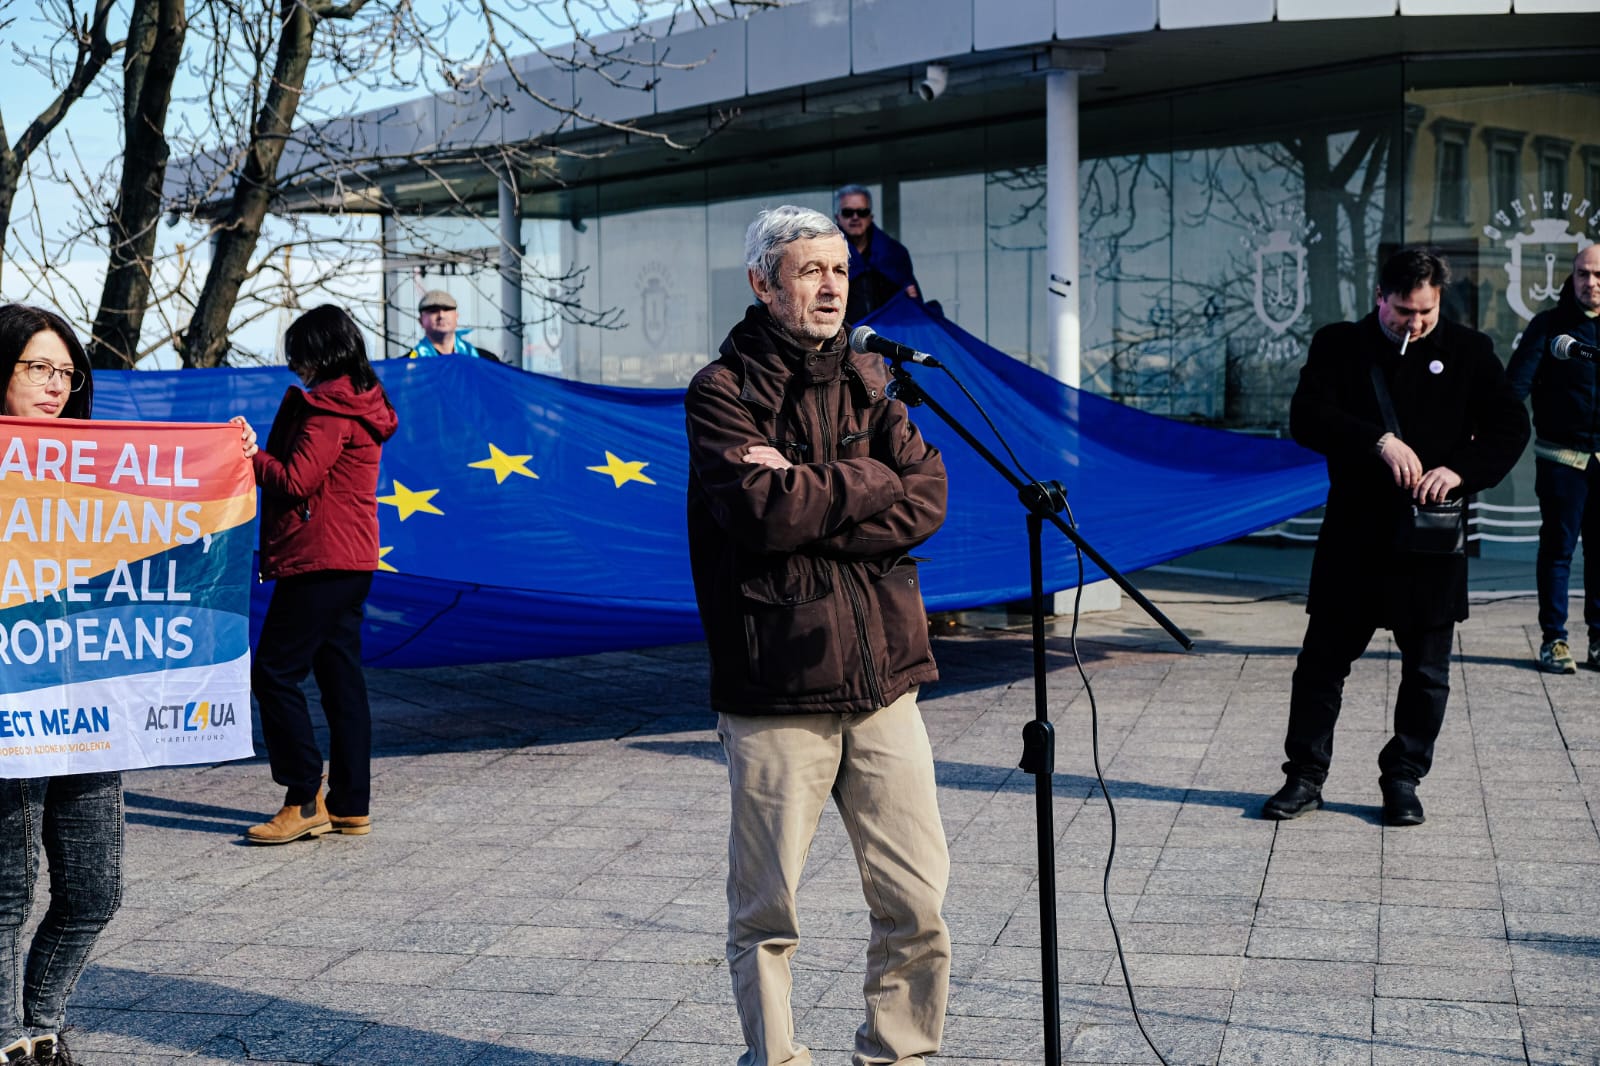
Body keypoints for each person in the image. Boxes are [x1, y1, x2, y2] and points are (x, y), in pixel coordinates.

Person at [685, 205, 951, 1066]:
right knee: (768, 915)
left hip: (884, 684)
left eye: (839, 270)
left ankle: (897, 1055)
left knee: (917, 904)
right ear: (764, 284)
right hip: (777, 689)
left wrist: (818, 486)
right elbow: (765, 514)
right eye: (810, 271)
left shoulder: (876, 382)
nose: (831, 286)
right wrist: (866, 485)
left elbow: (928, 497)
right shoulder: (721, 392)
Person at [0, 304, 256, 1065]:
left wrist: (227, 454)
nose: (54, 385)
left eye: (66, 372)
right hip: (11, 709)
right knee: (7, 897)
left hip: (91, 703)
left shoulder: (99, 462)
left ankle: (42, 1018)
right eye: (37, 368)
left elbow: (176, 522)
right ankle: (14, 1043)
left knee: (95, 889)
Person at [1262, 249, 1529, 827]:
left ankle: (1403, 778)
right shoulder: (1339, 344)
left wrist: (1459, 471)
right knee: (1321, 666)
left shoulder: (1469, 351)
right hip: (1355, 533)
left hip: (1431, 540)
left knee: (1427, 673)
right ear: (1380, 297)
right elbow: (1306, 416)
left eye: (1426, 313)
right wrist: (1376, 441)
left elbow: (1511, 427)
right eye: (1403, 311)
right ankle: (1305, 777)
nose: (1414, 324)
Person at [247, 305, 398, 844]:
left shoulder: (328, 409)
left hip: (320, 558)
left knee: (273, 672)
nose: (296, 368)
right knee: (341, 683)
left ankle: (302, 795)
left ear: (321, 350)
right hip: (352, 559)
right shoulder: (361, 402)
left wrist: (251, 457)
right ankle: (351, 804)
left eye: (300, 356)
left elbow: (294, 480)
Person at [1505, 244, 1600, 674]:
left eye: (1598, 275)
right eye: (1583, 274)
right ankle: (1554, 640)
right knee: (1559, 550)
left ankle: (1599, 641)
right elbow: (1515, 388)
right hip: (1562, 459)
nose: (1590, 283)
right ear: (1572, 276)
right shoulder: (1549, 326)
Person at [834, 184, 921, 324]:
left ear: (870, 217)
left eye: (862, 212)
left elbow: (913, 300)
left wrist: (910, 296)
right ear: (838, 217)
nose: (855, 217)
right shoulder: (826, 255)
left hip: (888, 336)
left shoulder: (895, 253)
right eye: (848, 212)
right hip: (843, 339)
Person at [402, 289, 501, 362]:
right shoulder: (408, 365)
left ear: (456, 316)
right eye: (433, 311)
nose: (441, 315)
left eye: (446, 309)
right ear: (421, 321)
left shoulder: (485, 360)